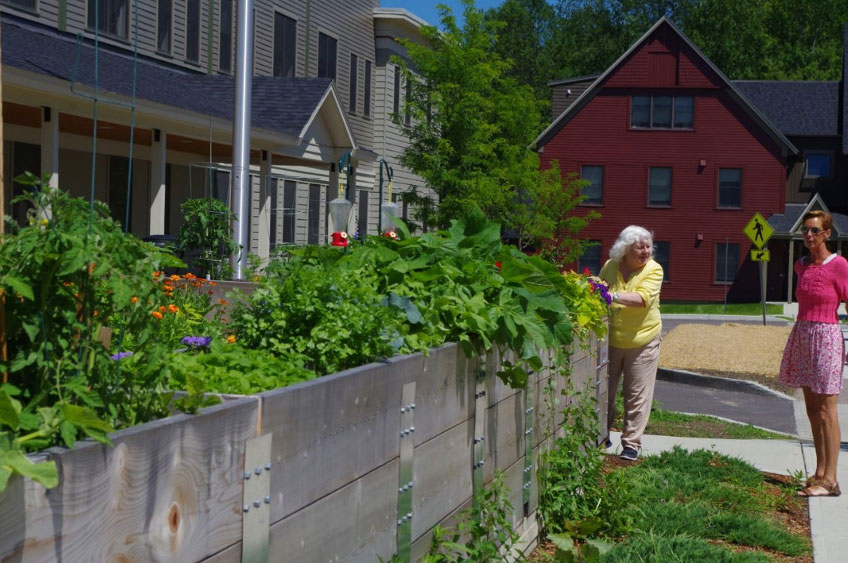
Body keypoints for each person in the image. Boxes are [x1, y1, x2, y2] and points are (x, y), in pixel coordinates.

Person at [779, 210, 848, 497]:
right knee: (810, 408)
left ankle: (831, 480)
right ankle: (819, 472)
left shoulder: (839, 265)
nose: (809, 235)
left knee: (826, 410)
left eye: (815, 231)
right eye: (806, 230)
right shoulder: (801, 266)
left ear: (827, 234)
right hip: (804, 334)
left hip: (827, 337)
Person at [600, 226, 664, 461]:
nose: (646, 251)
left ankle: (631, 443)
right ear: (626, 249)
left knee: (636, 394)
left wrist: (612, 296)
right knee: (604, 391)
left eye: (648, 247)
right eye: (640, 247)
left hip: (643, 340)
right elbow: (599, 288)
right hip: (612, 340)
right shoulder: (610, 266)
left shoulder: (654, 269)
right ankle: (601, 436)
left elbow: (642, 299)